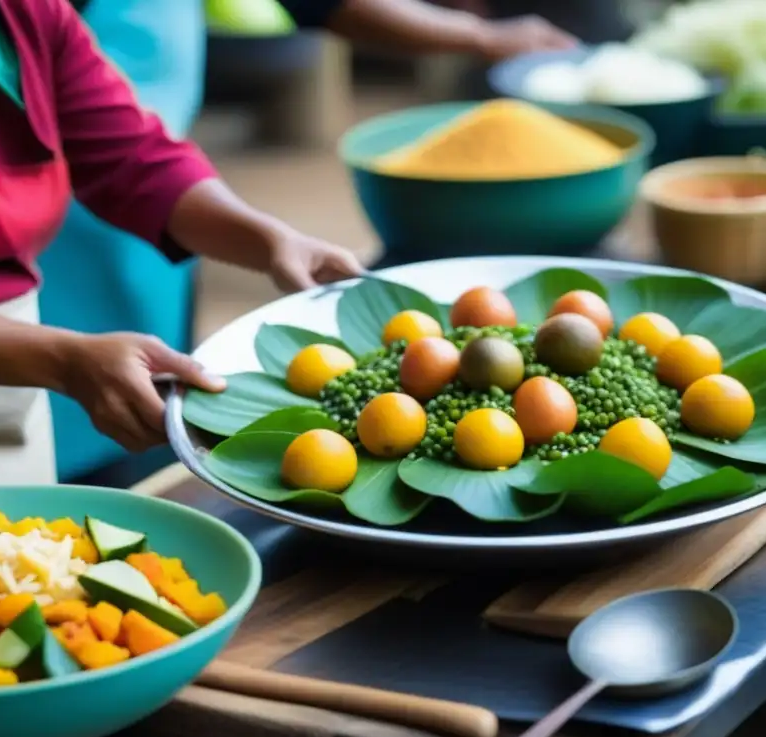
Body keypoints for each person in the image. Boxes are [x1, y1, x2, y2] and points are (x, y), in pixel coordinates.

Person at [39, 0, 578, 481]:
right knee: (46, 457)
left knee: (142, 428)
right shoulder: (1, 22)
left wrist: (270, 240)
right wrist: (61, 360)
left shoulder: (48, 34)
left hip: (160, 229)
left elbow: (130, 157)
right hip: (21, 271)